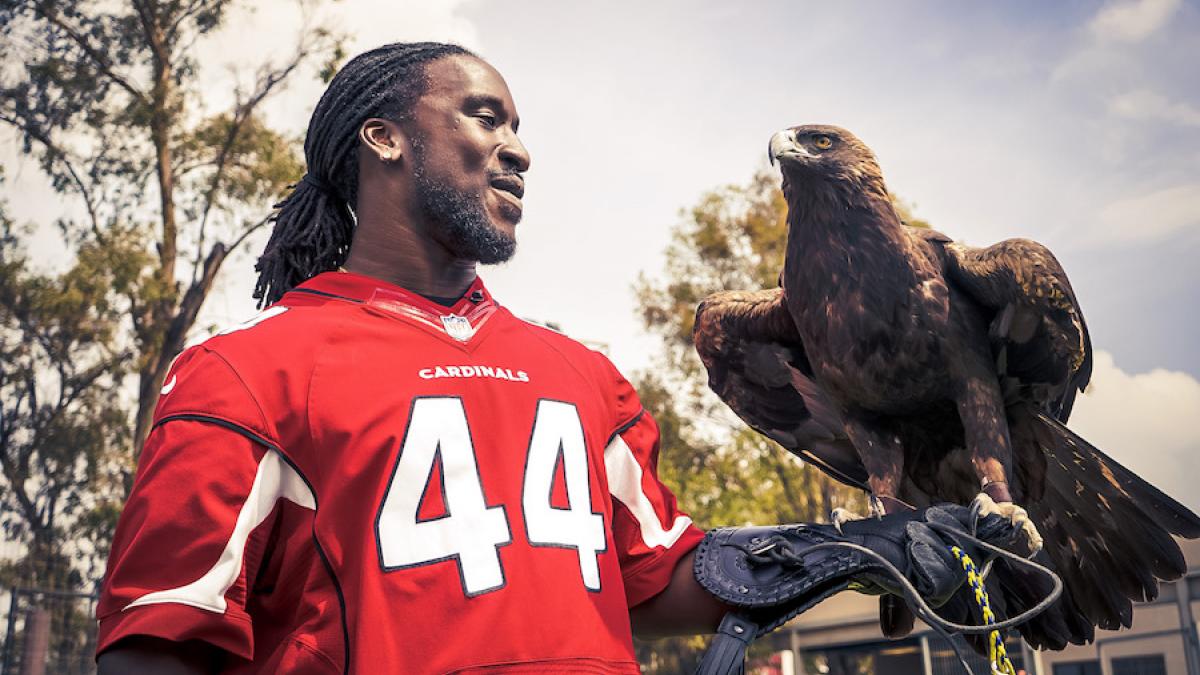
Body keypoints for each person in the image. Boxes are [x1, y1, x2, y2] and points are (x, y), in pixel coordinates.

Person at [94, 42, 1013, 674]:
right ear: (384, 137)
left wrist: (856, 548)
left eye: (519, 126)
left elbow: (654, 574)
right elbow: (159, 636)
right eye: (485, 118)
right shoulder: (246, 373)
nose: (520, 150)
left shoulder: (581, 377)